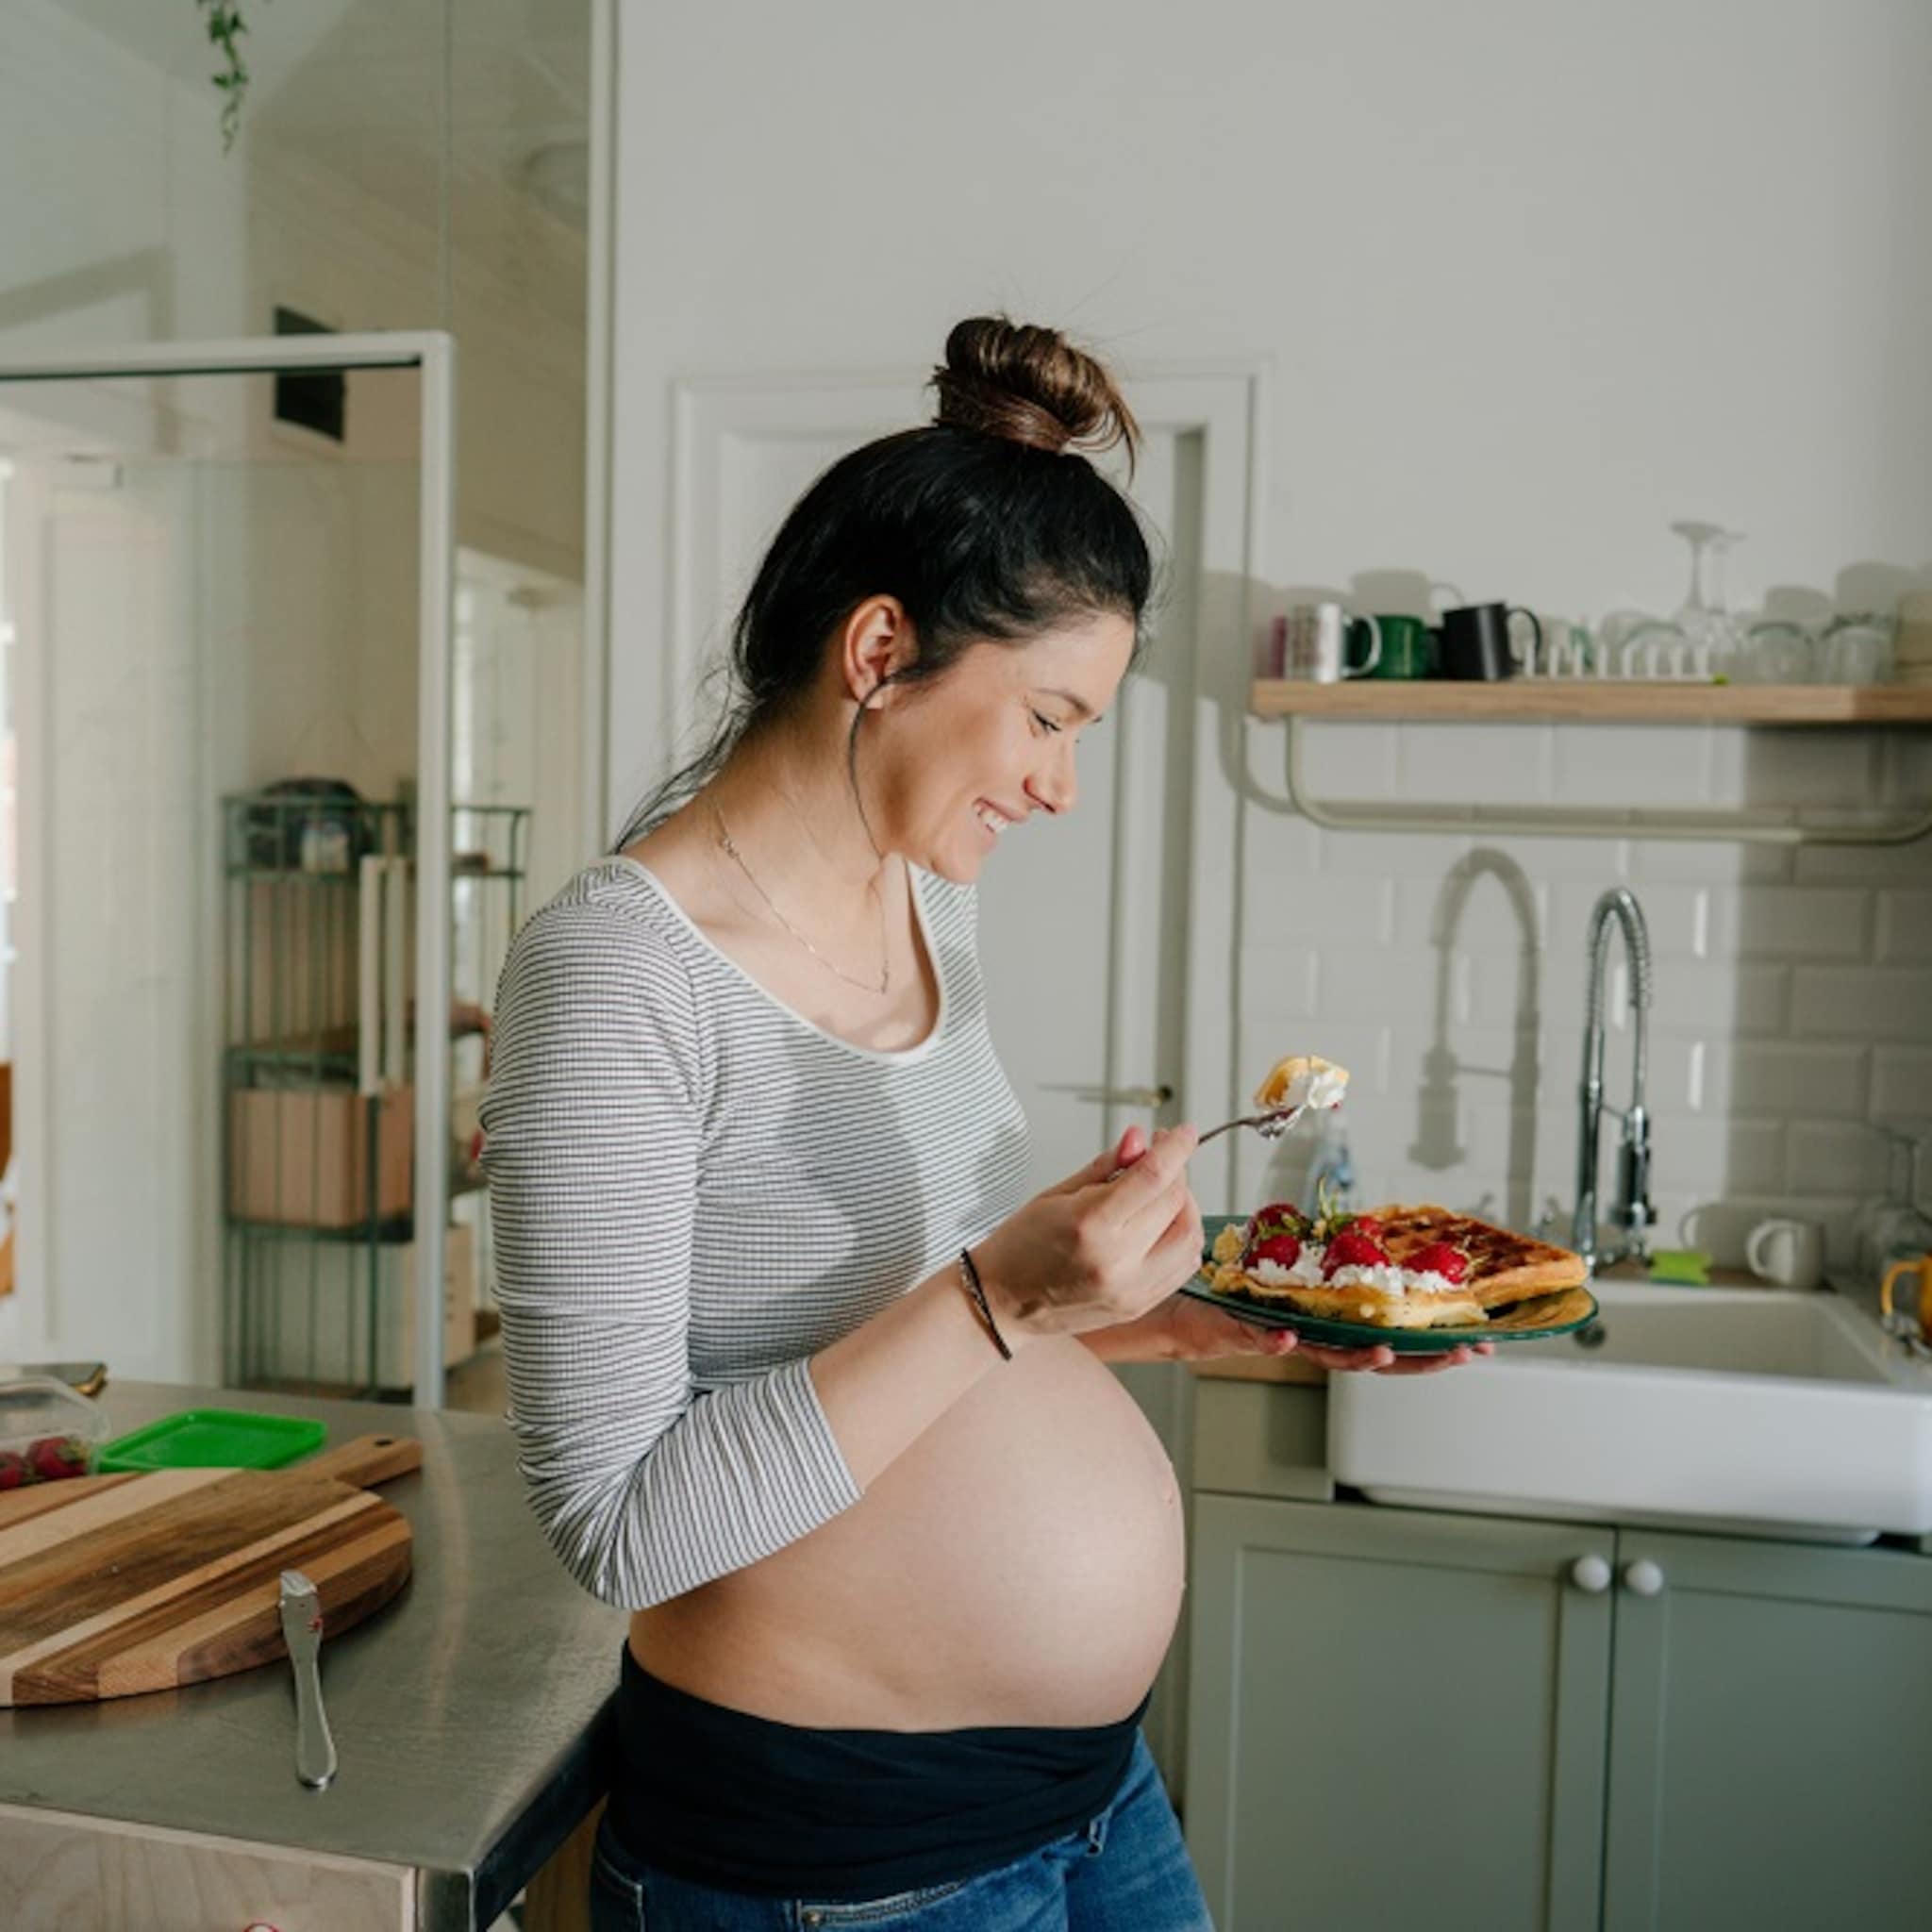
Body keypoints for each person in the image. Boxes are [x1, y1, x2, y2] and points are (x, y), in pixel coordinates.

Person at [480, 315, 1486, 1931]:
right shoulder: (617, 978)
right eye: (1049, 719)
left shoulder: (923, 904)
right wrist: (1004, 1291)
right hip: (840, 1861)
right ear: (880, 654)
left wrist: (1191, 1320)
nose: (1061, 787)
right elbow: (625, 1524)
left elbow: (907, 1343)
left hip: (1092, 1799)